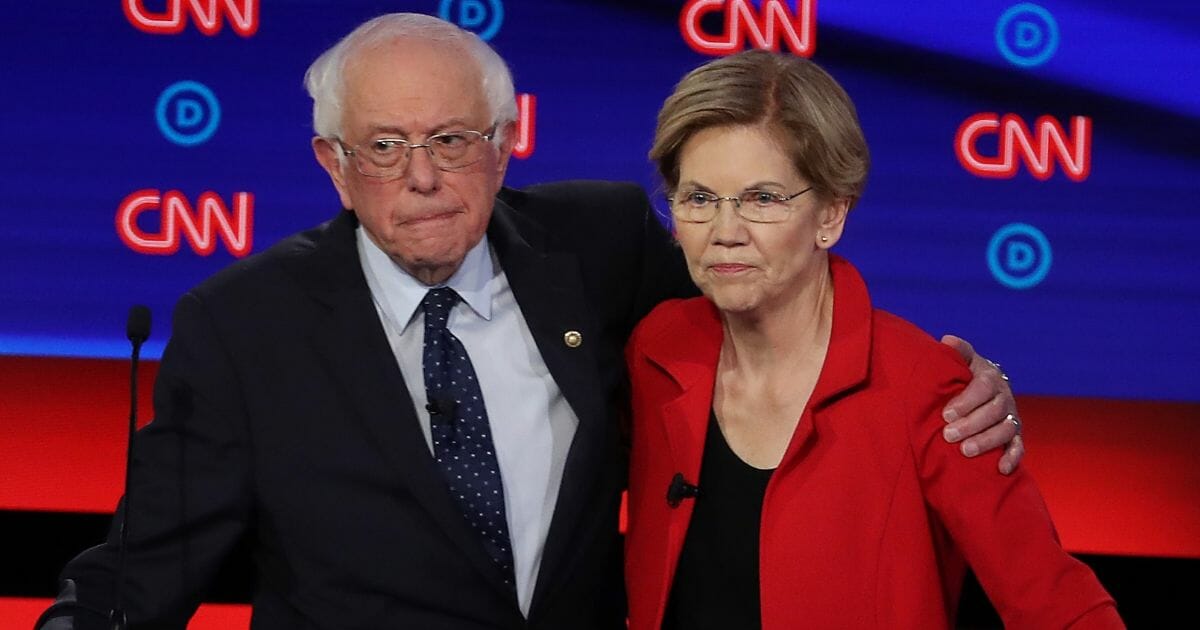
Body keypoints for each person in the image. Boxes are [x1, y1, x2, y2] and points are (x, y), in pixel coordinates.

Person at [38, 14, 1022, 630]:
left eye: (452, 139)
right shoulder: (243, 325)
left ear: (506, 143)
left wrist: (942, 377)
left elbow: (774, 314)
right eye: (384, 146)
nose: (422, 177)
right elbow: (146, 566)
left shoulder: (599, 245)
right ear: (331, 163)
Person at [623, 50, 1122, 629]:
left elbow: (1060, 605)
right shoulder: (653, 351)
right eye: (700, 198)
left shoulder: (930, 391)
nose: (725, 233)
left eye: (763, 199)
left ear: (832, 214)